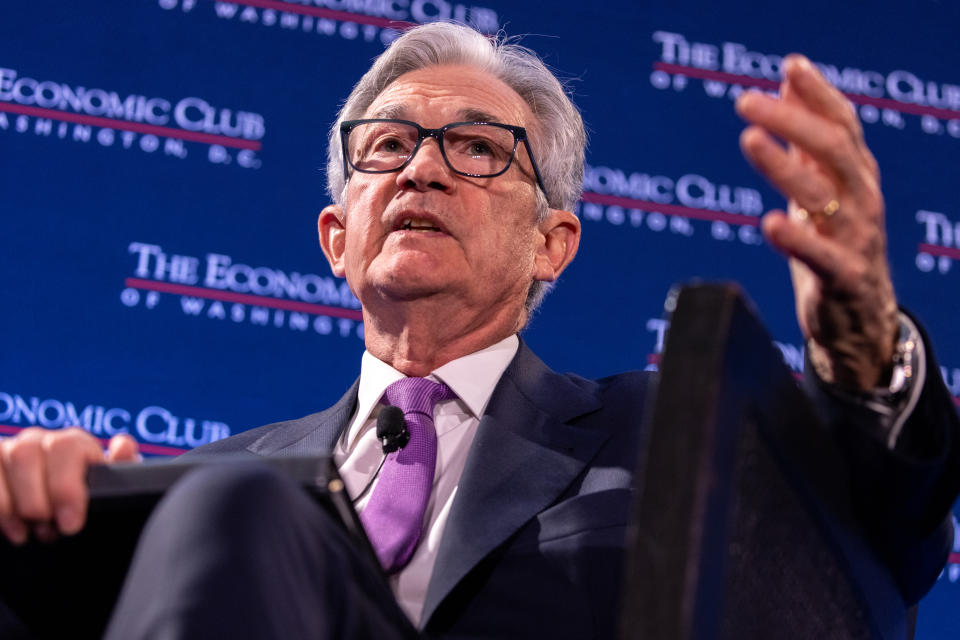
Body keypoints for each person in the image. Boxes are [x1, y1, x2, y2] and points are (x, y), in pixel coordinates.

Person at [0, 21, 957, 639]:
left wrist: (863, 345)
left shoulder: (673, 433)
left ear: (554, 243)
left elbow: (870, 550)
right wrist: (31, 536)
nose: (422, 171)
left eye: (477, 149)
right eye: (387, 147)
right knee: (230, 506)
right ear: (337, 239)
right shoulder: (220, 485)